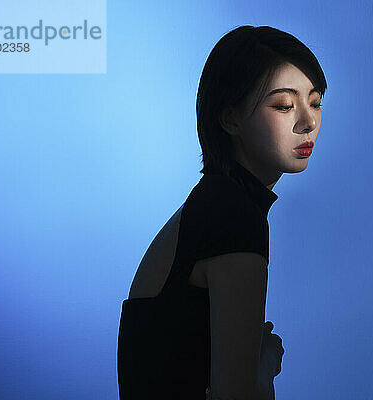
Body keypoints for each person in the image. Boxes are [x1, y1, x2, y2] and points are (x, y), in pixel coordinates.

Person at [117, 25, 327, 399]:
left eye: (314, 101)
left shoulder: (211, 205)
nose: (307, 122)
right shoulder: (232, 215)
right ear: (230, 119)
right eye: (283, 105)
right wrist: (261, 374)